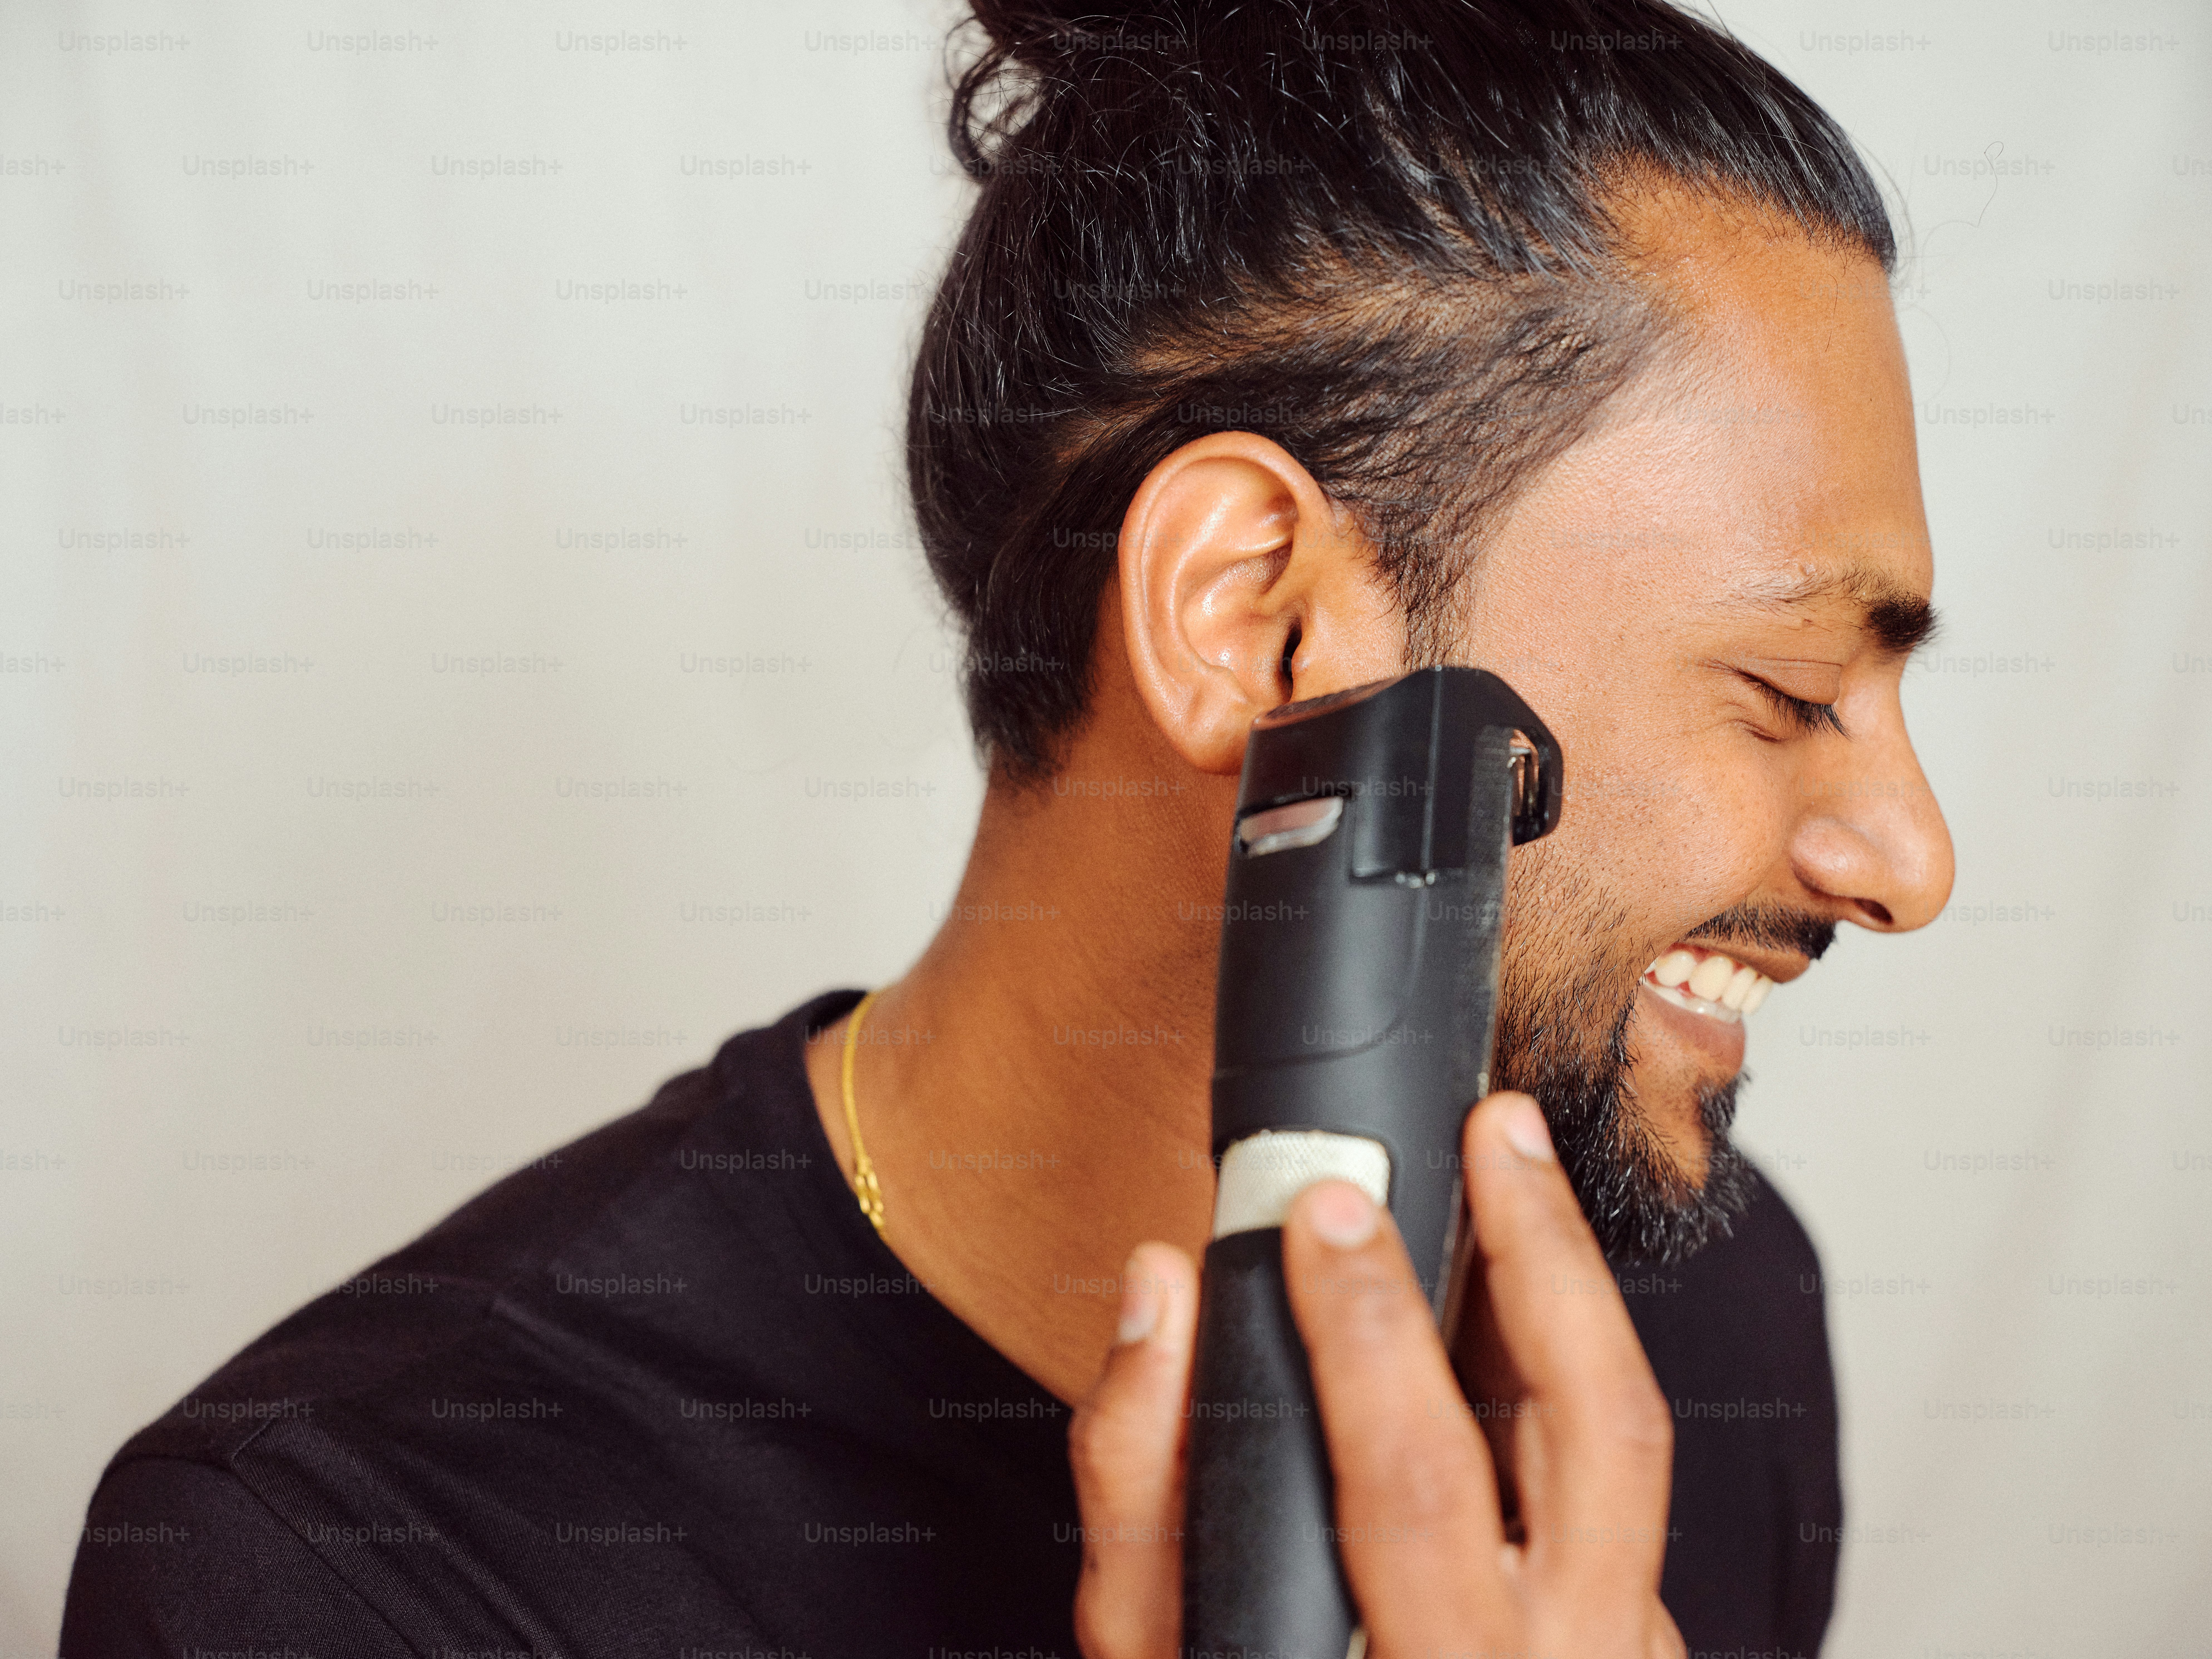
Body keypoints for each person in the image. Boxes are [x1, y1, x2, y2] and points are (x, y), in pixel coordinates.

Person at [63, 2, 1953, 1654]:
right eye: (1788, 692)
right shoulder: (348, 1568)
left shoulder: (1690, 1349)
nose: (1913, 860)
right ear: (1261, 621)